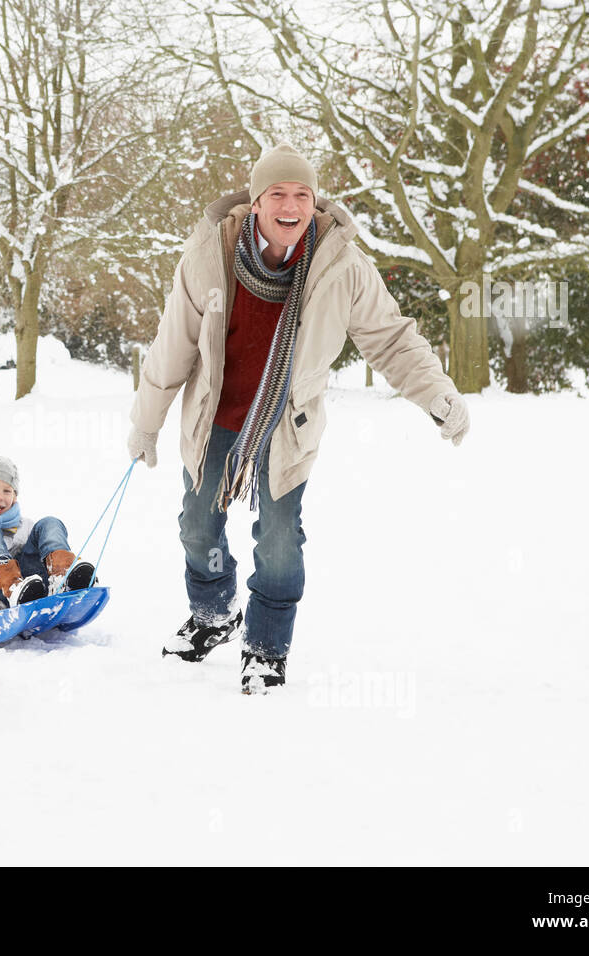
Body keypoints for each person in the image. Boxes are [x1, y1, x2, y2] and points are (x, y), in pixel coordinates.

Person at [127, 143, 469, 695]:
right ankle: (214, 614)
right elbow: (173, 345)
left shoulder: (339, 265)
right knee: (196, 527)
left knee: (280, 540)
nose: (291, 205)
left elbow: (391, 338)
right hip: (214, 419)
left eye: (302, 195)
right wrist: (146, 421)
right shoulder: (209, 258)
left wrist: (437, 394)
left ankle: (265, 647)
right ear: (257, 201)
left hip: (288, 426)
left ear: (314, 201)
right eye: (278, 194)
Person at [0, 453, 95, 615]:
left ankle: (64, 578)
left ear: (14, 497)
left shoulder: (24, 526)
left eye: (7, 491)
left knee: (49, 523)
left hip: (29, 590)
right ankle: (12, 587)